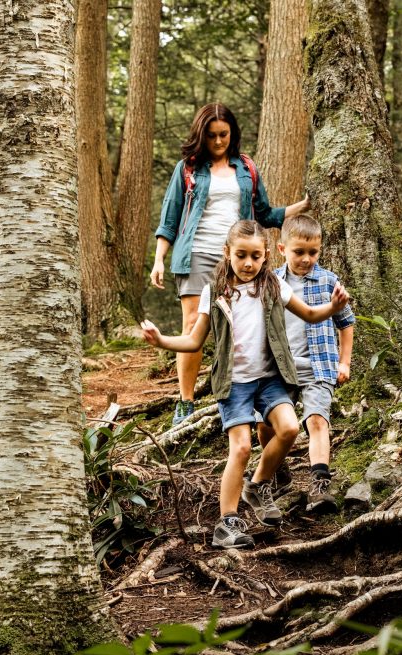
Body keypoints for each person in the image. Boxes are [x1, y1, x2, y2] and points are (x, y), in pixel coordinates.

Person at [140, 220, 350, 549]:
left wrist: (333, 308)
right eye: (241, 255)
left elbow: (309, 314)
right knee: (240, 448)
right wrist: (162, 340)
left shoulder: (274, 286)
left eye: (256, 256)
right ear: (228, 253)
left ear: (267, 256)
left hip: (269, 379)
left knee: (290, 428)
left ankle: (258, 483)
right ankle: (227, 523)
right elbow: (194, 340)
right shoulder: (215, 290)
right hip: (234, 383)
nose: (249, 263)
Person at [149, 103, 310, 426]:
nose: (218, 141)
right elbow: (169, 219)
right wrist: (159, 260)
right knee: (194, 324)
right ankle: (186, 401)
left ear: (232, 134)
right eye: (211, 135)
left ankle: (247, 392)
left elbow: (264, 214)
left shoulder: (246, 168)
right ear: (201, 135)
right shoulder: (188, 169)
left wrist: (302, 205)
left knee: (246, 324)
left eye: (224, 134)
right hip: (196, 253)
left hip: (240, 259)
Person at [257, 215, 354, 513]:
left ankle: (319, 483)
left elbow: (346, 322)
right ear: (283, 248)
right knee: (264, 425)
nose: (307, 259)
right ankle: (277, 470)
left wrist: (344, 362)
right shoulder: (270, 281)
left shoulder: (328, 281)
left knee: (316, 420)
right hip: (279, 370)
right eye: (299, 252)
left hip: (319, 367)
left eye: (313, 252)